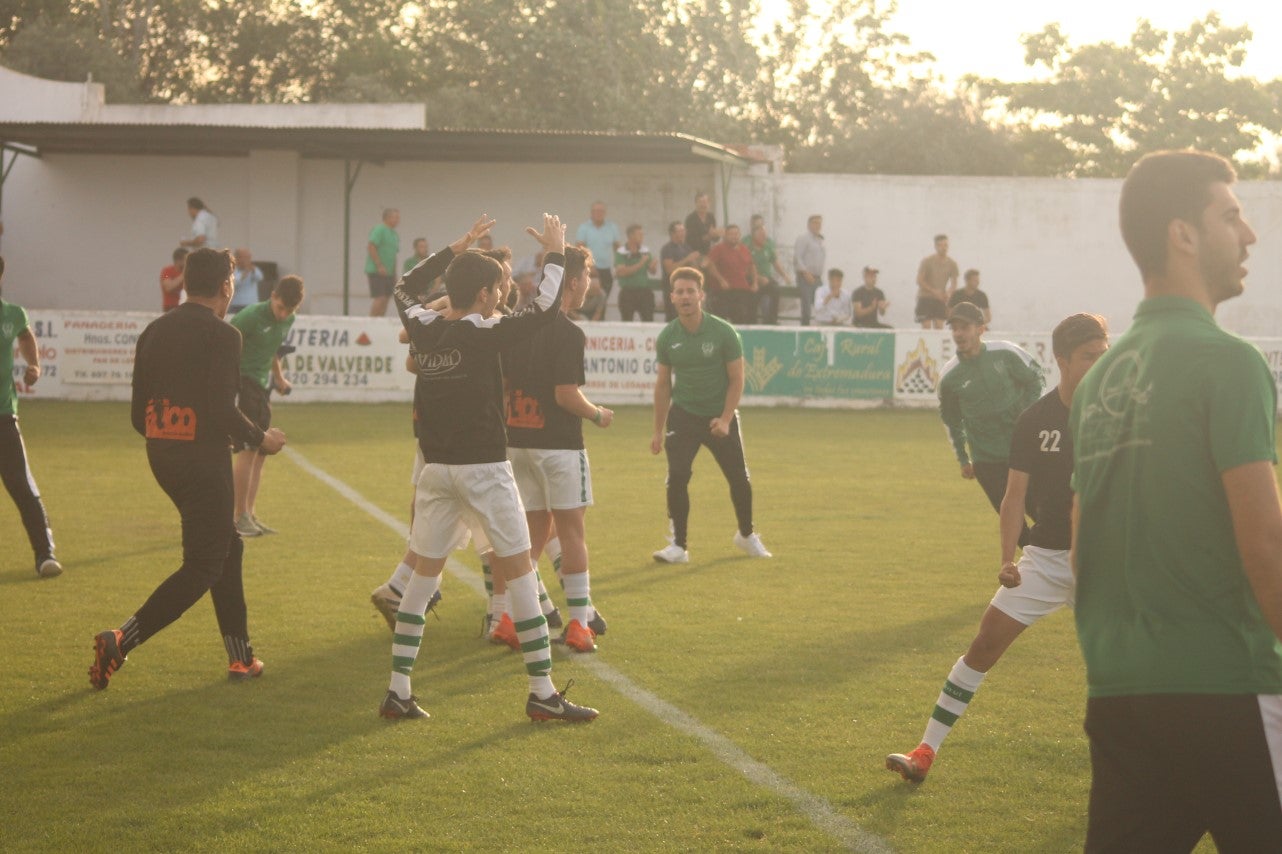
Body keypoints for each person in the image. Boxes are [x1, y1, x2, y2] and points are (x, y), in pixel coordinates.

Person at [1072, 150, 1282, 851]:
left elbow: (1081, 549)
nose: (1249, 234)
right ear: (1183, 235)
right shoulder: (1229, 361)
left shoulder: (1098, 381)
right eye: (1231, 216)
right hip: (1229, 686)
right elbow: (1266, 546)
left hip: (1121, 695)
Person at [381, 212, 598, 723]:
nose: (501, 297)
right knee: (521, 574)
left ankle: (398, 689)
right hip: (483, 470)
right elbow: (545, 307)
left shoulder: (424, 326)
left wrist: (453, 250)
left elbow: (404, 285)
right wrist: (555, 252)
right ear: (482, 295)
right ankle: (543, 693)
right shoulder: (483, 332)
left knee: (422, 580)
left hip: (436, 472)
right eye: (498, 290)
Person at [886, 313, 1108, 783]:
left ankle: (1143, 769)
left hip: (1104, 562)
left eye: (1103, 355)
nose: (1100, 364)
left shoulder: (1120, 415)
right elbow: (1014, 497)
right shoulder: (1035, 420)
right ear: (1062, 359)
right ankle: (925, 750)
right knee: (984, 644)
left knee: (1124, 668)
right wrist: (1007, 559)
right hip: (1046, 560)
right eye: (1090, 356)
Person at [89, 247, 287, 690]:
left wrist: (170, 435)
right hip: (202, 462)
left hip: (162, 456)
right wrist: (262, 439)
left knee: (227, 547)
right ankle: (120, 639)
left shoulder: (153, 331)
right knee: (203, 565)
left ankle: (241, 658)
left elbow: (138, 415)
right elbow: (221, 410)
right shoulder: (224, 335)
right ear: (226, 286)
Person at [504, 246, 613, 653]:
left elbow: (503, 387)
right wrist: (597, 414)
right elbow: (566, 395)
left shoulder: (517, 326)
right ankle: (579, 623)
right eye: (587, 277)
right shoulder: (568, 332)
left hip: (518, 441)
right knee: (571, 533)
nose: (589, 285)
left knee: (531, 535)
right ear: (572, 281)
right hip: (558, 446)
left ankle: (511, 618)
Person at [650, 266, 770, 562]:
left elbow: (737, 379)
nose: (685, 297)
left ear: (701, 295)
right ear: (672, 297)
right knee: (677, 476)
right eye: (680, 292)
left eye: (691, 291)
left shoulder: (723, 332)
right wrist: (657, 430)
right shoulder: (667, 337)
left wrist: (726, 419)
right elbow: (663, 385)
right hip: (683, 416)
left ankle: (746, 535)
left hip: (719, 415)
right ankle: (678, 546)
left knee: (739, 478)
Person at [938, 301, 1042, 541]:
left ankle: (1060, 559)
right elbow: (951, 421)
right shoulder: (949, 377)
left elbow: (1036, 379)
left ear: (981, 329)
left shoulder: (1006, 353)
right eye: (954, 328)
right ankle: (1035, 562)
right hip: (986, 462)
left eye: (964, 327)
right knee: (1015, 526)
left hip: (1023, 452)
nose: (958, 334)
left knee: (1045, 516)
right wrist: (963, 459)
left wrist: (1026, 415)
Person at [229, 275, 304, 537]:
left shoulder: (288, 320)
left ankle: (250, 513)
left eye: (289, 310)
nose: (283, 315)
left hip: (262, 388)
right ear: (273, 296)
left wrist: (279, 378)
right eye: (280, 307)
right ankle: (238, 517)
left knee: (261, 452)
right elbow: (225, 346)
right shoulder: (249, 317)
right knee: (248, 450)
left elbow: (273, 349)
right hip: (243, 383)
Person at [0, 255, 61, 579]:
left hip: (3, 417)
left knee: (22, 487)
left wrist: (34, 364)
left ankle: (45, 555)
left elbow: (25, 336)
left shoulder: (11, 313)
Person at [574, 201, 621, 321]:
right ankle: (582, 322)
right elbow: (579, 248)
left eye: (601, 211)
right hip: (589, 270)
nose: (598, 213)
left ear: (605, 213)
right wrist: (588, 265)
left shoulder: (612, 227)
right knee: (585, 298)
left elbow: (617, 248)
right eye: (596, 211)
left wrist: (618, 265)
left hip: (606, 270)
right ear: (591, 213)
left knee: (602, 301)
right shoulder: (584, 228)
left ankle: (598, 325)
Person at [706, 225, 758, 324]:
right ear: (725, 235)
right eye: (731, 234)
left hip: (742, 290)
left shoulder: (744, 249)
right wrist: (721, 280)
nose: (734, 236)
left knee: (743, 317)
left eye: (736, 234)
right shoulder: (718, 248)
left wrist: (755, 283)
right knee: (721, 321)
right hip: (723, 291)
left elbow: (752, 266)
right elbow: (709, 265)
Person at [748, 218, 788, 325]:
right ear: (754, 236)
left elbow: (775, 262)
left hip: (766, 279)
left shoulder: (768, 247)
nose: (764, 238)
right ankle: (751, 322)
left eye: (764, 235)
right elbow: (745, 267)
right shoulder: (747, 247)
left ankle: (772, 321)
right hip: (752, 279)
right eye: (761, 235)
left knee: (776, 289)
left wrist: (784, 275)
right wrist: (758, 278)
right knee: (753, 296)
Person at [614, 224, 658, 322]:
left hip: (644, 291)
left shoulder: (644, 250)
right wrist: (640, 263)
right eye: (639, 234)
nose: (642, 237)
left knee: (648, 320)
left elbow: (652, 271)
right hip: (628, 292)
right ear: (631, 236)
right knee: (627, 321)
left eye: (642, 234)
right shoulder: (621, 252)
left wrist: (653, 266)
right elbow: (622, 272)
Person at [916, 234, 959, 329]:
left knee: (939, 329)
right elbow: (919, 280)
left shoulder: (952, 264)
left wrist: (948, 293)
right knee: (926, 329)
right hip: (925, 298)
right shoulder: (927, 261)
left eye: (945, 245)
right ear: (935, 246)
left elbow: (954, 283)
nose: (943, 248)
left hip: (940, 300)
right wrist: (934, 291)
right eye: (940, 245)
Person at [660, 221, 700, 323]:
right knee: (673, 318)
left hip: (687, 290)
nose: (683, 233)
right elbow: (669, 269)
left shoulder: (686, 247)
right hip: (672, 289)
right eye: (680, 231)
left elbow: (694, 267)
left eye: (684, 230)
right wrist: (687, 259)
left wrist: (697, 262)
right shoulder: (667, 249)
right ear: (672, 233)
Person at [366, 208, 401, 317]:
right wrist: (379, 265)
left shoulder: (394, 234)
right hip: (377, 271)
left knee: (386, 298)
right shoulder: (379, 229)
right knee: (380, 297)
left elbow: (394, 255)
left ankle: (380, 321)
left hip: (389, 273)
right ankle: (371, 321)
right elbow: (371, 246)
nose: (398, 220)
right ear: (387, 218)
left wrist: (394, 274)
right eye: (395, 217)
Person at [793, 214, 825, 326]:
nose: (817, 225)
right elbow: (797, 258)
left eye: (819, 223)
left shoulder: (820, 240)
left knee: (821, 305)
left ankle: (819, 329)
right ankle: (805, 330)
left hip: (817, 278)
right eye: (815, 222)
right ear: (809, 224)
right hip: (805, 277)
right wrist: (806, 273)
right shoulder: (803, 238)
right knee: (806, 308)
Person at [684, 191, 721, 265]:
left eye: (705, 202)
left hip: (707, 252)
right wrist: (709, 236)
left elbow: (715, 239)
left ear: (709, 203)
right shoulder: (691, 219)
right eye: (700, 202)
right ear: (696, 203)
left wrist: (717, 234)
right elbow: (690, 240)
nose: (703, 205)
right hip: (693, 254)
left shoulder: (711, 217)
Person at [229, 248, 263, 315]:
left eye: (248, 257)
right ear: (236, 258)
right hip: (236, 304)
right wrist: (245, 273)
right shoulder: (231, 270)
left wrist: (253, 270)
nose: (246, 260)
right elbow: (233, 283)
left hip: (251, 304)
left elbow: (260, 278)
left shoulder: (253, 269)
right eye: (243, 257)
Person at [159, 248, 187, 313]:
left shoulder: (189, 273)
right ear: (178, 260)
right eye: (186, 260)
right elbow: (168, 287)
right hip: (170, 307)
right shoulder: (167, 271)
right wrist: (183, 275)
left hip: (185, 307)